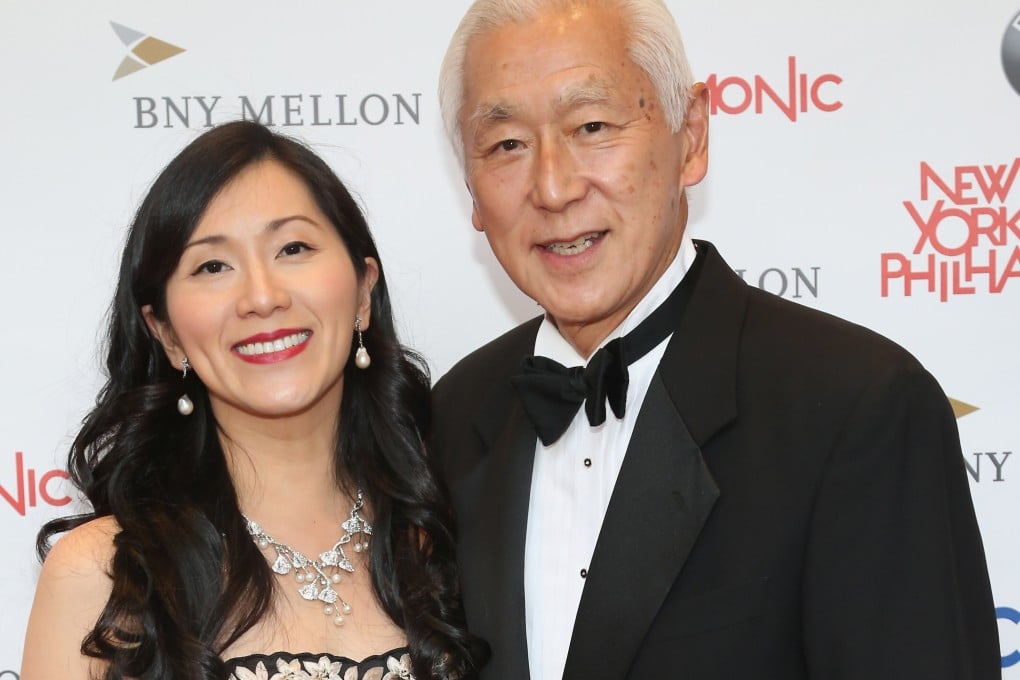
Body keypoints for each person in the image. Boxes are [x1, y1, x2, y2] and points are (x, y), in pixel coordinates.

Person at [432, 1, 1001, 678]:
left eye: (591, 126)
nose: (552, 187)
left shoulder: (857, 407)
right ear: (469, 183)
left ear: (691, 135)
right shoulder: (450, 417)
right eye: (506, 146)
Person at [21, 121, 486, 680]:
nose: (262, 297)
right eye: (212, 266)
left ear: (363, 291)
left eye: (293, 248)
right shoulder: (102, 574)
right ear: (166, 333)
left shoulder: (448, 539)